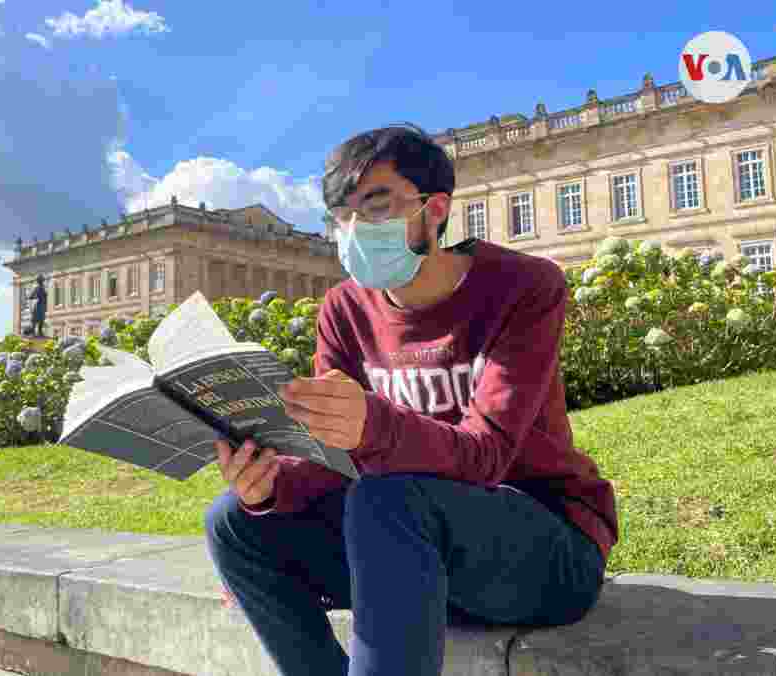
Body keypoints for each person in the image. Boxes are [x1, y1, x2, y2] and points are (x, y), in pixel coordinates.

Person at [204, 123, 619, 676]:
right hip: (404, 552)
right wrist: (270, 484)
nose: (354, 230)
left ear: (436, 209)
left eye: (375, 207)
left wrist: (372, 425)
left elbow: (486, 454)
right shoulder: (343, 310)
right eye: (341, 216)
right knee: (232, 521)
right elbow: (334, 463)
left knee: (387, 498)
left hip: (541, 547)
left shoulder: (524, 287)